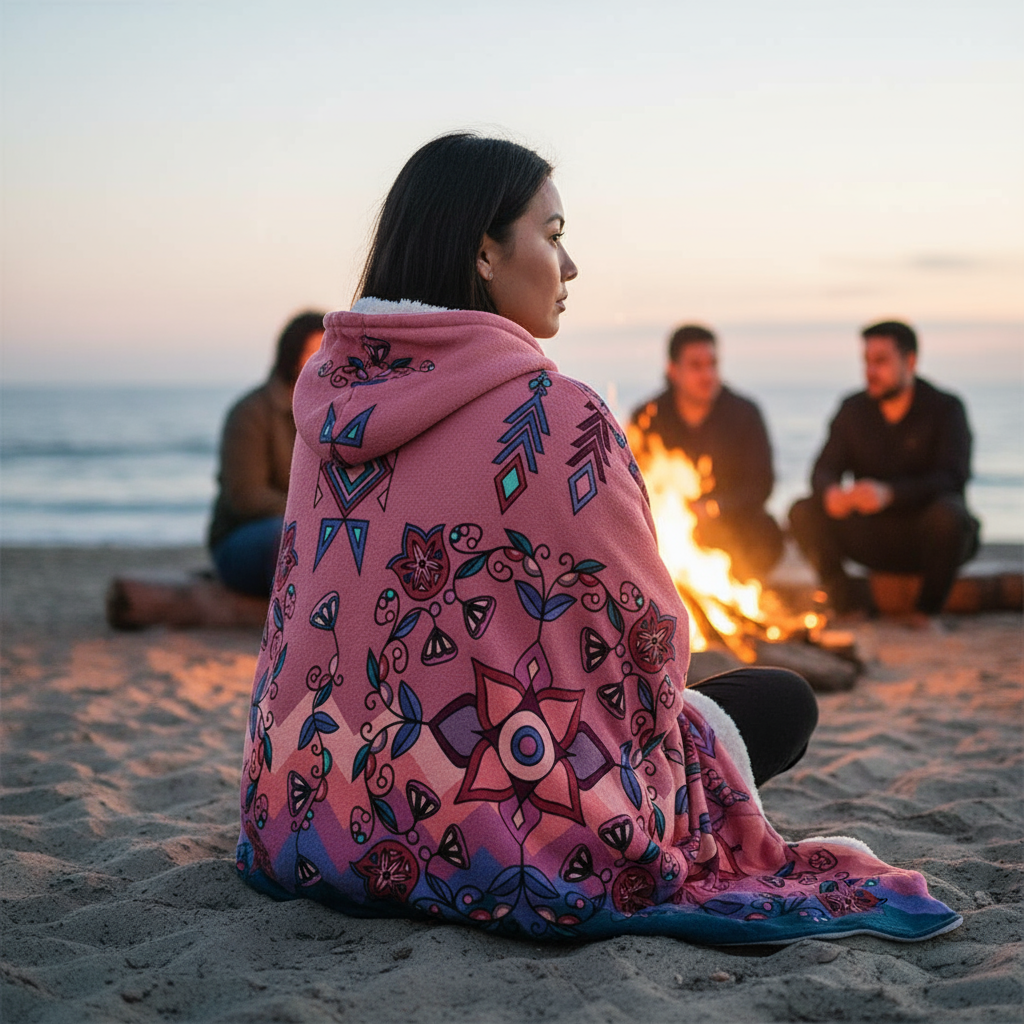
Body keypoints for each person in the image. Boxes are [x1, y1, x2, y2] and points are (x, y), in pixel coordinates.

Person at [234, 134, 959, 945]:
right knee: (781, 700)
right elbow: (651, 646)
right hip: (490, 824)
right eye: (551, 235)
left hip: (300, 804)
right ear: (483, 251)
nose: (570, 264)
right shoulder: (556, 414)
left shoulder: (326, 411)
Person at [789, 321, 979, 623]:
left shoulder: (946, 408)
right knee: (802, 510)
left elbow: (953, 477)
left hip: (925, 537)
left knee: (951, 515)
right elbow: (823, 469)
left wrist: (890, 494)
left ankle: (925, 613)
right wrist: (832, 494)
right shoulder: (853, 409)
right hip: (872, 536)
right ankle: (846, 605)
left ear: (911, 361)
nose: (870, 371)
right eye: (866, 361)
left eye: (881, 361)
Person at [628, 325, 784, 581]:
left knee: (767, 532)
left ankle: (735, 590)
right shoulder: (648, 417)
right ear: (673, 370)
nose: (708, 375)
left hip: (730, 526)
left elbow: (761, 485)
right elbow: (631, 483)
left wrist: (716, 507)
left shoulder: (745, 413)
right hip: (668, 528)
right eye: (696, 366)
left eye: (712, 364)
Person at [208, 311, 326, 598]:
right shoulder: (251, 412)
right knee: (286, 534)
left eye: (328, 353)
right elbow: (245, 497)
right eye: (313, 352)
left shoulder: (331, 412)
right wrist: (312, 513)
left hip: (307, 528)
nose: (322, 362)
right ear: (291, 354)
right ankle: (288, 624)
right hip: (242, 539)